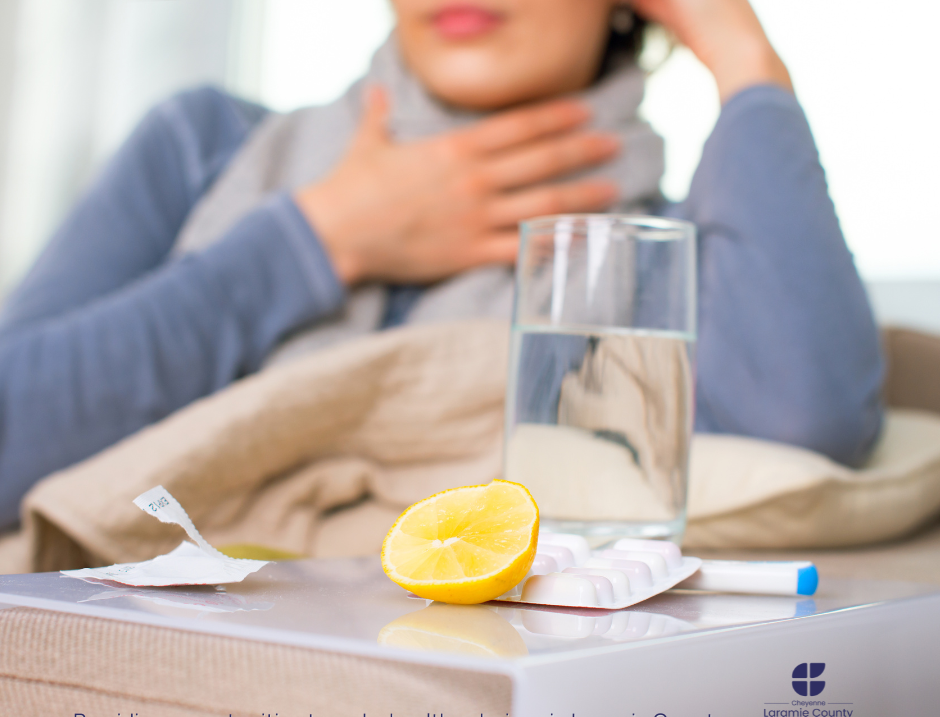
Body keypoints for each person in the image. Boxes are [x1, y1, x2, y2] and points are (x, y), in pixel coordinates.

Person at [0, 0, 883, 532]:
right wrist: (319, 239)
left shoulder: (658, 263)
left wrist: (741, 50)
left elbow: (805, 418)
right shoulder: (204, 148)